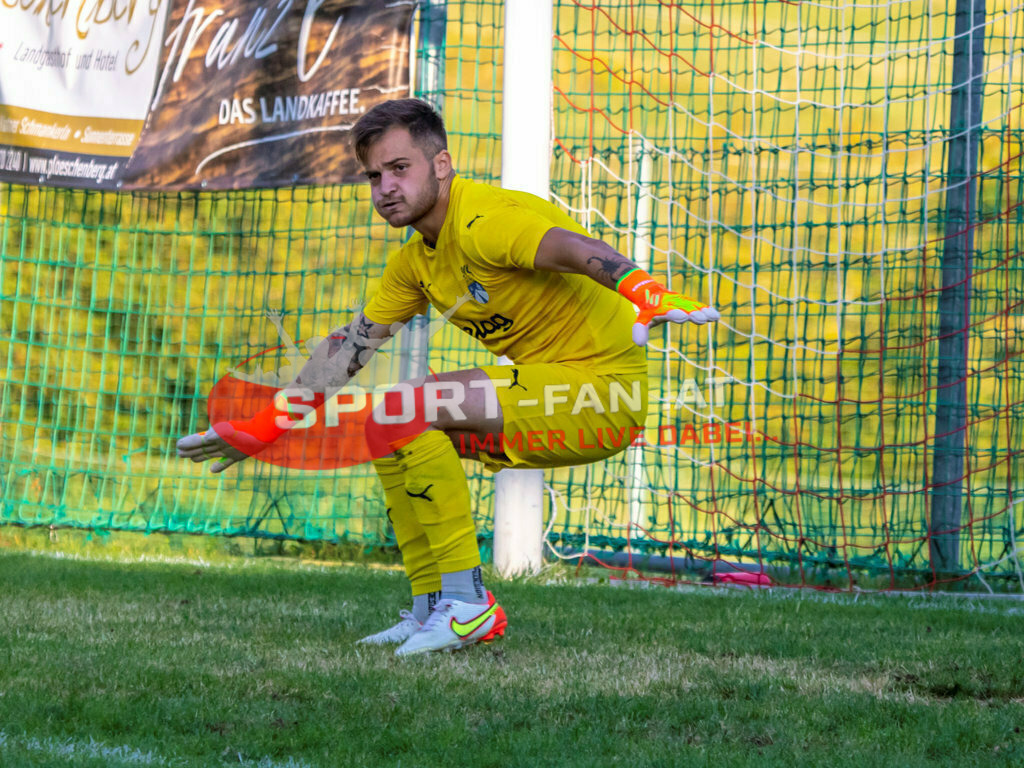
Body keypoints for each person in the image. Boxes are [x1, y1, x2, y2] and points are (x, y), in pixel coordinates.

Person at [177, 98, 719, 656]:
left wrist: (643, 291)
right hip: (549, 398)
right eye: (373, 175)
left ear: (441, 165)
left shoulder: (484, 219)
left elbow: (577, 248)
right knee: (383, 424)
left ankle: (469, 604)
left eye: (399, 168)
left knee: (408, 405)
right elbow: (350, 349)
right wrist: (265, 426)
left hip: (600, 395)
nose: (384, 187)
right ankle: (431, 606)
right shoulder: (415, 262)